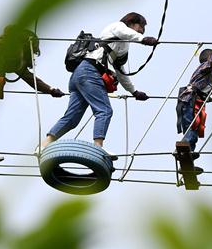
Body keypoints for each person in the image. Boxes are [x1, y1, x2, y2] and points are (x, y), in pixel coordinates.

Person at [41, 12, 157, 152]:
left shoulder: (123, 45)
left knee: (72, 118)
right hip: (90, 73)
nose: (142, 30)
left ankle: (43, 145)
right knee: (104, 110)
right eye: (141, 26)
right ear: (132, 22)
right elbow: (125, 32)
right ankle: (98, 148)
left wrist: (134, 91)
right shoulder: (118, 27)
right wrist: (143, 39)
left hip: (80, 75)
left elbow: (120, 71)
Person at [0, 25, 64, 162]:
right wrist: (23, 36)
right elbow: (9, 30)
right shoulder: (12, 47)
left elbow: (30, 79)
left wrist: (50, 90)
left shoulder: (15, 59)